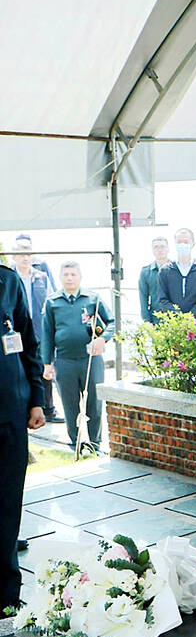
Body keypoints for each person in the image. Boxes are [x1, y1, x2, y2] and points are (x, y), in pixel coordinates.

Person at [0, 263, 45, 613]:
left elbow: (28, 341)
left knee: (8, 502)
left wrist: (36, 399)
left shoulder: (9, 280)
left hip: (12, 414)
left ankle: (6, 596)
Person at [40, 262, 115, 451]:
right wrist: (46, 364)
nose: (70, 278)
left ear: (80, 276)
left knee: (94, 403)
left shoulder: (92, 299)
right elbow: (47, 334)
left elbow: (111, 322)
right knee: (70, 404)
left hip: (90, 360)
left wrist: (103, 339)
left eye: (73, 274)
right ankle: (76, 442)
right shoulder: (52, 302)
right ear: (60, 278)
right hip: (64, 361)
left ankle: (95, 443)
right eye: (66, 275)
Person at [10, 238, 62, 423]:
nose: (26, 258)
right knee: (19, 369)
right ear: (14, 256)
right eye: (22, 254)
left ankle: (48, 408)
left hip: (39, 331)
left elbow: (51, 302)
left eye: (29, 253)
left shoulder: (41, 277)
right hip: (15, 333)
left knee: (44, 368)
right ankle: (23, 408)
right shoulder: (9, 278)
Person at [158, 228, 196, 315]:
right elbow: (163, 299)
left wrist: (190, 318)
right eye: (179, 242)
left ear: (193, 244)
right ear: (175, 244)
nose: (182, 245)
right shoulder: (165, 270)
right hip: (173, 323)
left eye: (186, 242)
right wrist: (178, 316)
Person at [138, 236, 170, 323]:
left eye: (162, 246)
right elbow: (143, 298)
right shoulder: (146, 272)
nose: (160, 250)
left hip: (174, 318)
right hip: (155, 319)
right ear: (152, 251)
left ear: (168, 249)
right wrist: (147, 321)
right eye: (156, 247)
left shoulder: (176, 269)